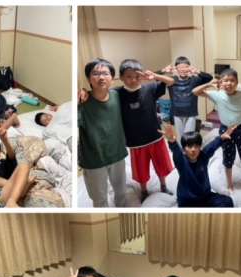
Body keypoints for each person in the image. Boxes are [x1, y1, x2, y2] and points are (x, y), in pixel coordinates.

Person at [117, 58, 175, 202]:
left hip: (155, 136)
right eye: (129, 76)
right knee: (140, 171)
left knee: (161, 164)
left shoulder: (150, 88)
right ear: (121, 77)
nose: (133, 80)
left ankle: (163, 185)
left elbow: (171, 81)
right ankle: (144, 190)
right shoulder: (117, 93)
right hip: (135, 142)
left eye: (137, 76)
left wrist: (154, 76)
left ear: (142, 76)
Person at [193, 68, 241, 191]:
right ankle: (230, 184)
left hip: (240, 129)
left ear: (237, 82)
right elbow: (195, 92)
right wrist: (209, 84)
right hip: (225, 130)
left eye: (232, 80)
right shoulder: (217, 95)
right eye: (225, 80)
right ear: (221, 83)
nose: (229, 83)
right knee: (228, 157)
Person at [78, 58, 128, 207]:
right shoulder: (82, 102)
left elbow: (135, 86)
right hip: (94, 159)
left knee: (121, 192)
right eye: (95, 74)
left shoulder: (117, 95)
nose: (101, 77)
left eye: (105, 73)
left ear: (112, 78)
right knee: (99, 199)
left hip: (117, 153)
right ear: (89, 79)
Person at [161, 123, 234, 207]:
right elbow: (176, 152)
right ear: (184, 150)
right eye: (189, 146)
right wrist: (172, 142)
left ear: (200, 147)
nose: (193, 149)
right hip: (187, 200)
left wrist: (221, 138)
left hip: (205, 196)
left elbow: (211, 146)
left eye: (196, 146)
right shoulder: (181, 161)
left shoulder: (203, 156)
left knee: (228, 202)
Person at [163, 56, 213, 139]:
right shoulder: (171, 80)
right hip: (177, 114)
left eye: (186, 67)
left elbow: (209, 78)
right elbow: (155, 78)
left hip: (191, 114)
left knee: (188, 137)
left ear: (189, 68)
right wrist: (164, 71)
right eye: (180, 67)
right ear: (176, 68)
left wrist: (197, 71)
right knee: (180, 137)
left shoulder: (195, 80)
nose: (183, 69)